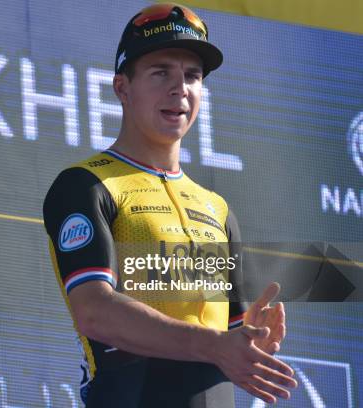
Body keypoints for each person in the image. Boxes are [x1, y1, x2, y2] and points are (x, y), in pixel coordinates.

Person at [42, 3, 298, 407]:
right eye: (161, 72)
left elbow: (231, 340)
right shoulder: (88, 184)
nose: (180, 88)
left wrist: (255, 346)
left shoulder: (216, 209)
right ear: (122, 88)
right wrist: (214, 346)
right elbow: (94, 312)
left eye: (192, 76)